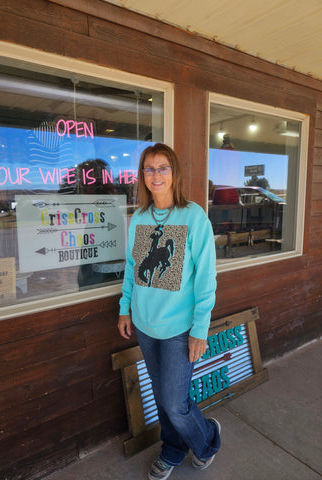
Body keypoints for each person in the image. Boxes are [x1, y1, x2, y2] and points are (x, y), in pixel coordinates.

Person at [118, 143, 221, 480]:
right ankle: (173, 448)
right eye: (149, 168)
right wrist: (124, 310)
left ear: (174, 173)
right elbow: (132, 268)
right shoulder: (140, 219)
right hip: (146, 326)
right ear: (142, 176)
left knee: (176, 404)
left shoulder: (193, 217)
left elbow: (206, 278)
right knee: (163, 399)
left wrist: (200, 328)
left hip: (179, 329)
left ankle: (207, 439)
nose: (156, 174)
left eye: (163, 167)